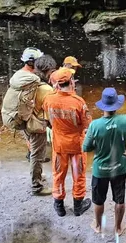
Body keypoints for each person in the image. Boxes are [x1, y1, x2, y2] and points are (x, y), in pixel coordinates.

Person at [83, 88, 126, 236]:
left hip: (100, 170)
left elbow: (86, 147)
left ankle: (98, 225)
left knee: (98, 200)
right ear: (117, 105)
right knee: (119, 199)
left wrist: (95, 140)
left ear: (102, 106)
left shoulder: (95, 125)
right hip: (119, 168)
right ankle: (118, 228)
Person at [43, 68, 92, 217]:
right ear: (71, 81)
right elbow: (87, 125)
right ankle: (78, 206)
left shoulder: (49, 99)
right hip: (77, 145)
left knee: (58, 174)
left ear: (57, 84)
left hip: (59, 145)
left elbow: (48, 120)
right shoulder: (78, 102)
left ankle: (59, 207)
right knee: (78, 175)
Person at [22, 54, 57, 196]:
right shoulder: (46, 89)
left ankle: (38, 176)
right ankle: (37, 186)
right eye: (52, 70)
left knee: (34, 153)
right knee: (37, 155)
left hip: (25, 121)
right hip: (36, 125)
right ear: (48, 70)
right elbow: (50, 111)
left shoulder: (29, 81)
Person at [19, 47, 44, 160]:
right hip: (26, 113)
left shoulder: (20, 74)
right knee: (32, 136)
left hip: (21, 112)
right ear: (31, 62)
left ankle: (31, 154)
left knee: (28, 136)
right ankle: (33, 157)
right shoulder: (30, 78)